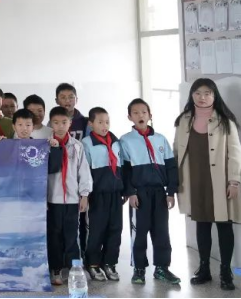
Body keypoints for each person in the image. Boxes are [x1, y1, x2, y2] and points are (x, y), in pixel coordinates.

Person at [174, 78, 241, 291]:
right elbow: (177, 151)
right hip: (194, 181)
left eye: (207, 93)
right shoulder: (184, 120)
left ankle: (225, 272)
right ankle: (204, 269)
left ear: (214, 95)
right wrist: (174, 181)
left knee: (224, 226)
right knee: (201, 225)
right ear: (192, 95)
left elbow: (235, 154)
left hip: (221, 181)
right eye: (197, 93)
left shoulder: (225, 120)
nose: (202, 97)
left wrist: (234, 181)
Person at [120, 99, 180, 285]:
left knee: (162, 231)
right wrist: (130, 192)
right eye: (136, 113)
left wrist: (171, 192)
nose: (140, 115)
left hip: (159, 193)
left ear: (150, 115)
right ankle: (139, 269)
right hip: (139, 194)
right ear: (129, 117)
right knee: (139, 232)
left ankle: (162, 268)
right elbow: (125, 170)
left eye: (143, 112)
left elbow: (171, 167)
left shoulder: (161, 139)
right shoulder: (125, 141)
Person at [46, 106, 92, 287]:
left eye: (64, 122)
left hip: (72, 200)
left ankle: (75, 269)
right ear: (50, 124)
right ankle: (56, 269)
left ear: (70, 123)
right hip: (52, 200)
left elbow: (83, 171)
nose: (60, 126)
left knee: (73, 236)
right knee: (55, 236)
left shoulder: (77, 146)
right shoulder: (45, 146)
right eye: (56, 123)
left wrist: (84, 195)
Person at [81, 107, 123, 283]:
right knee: (97, 230)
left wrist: (123, 189)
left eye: (107, 122)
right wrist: (86, 194)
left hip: (116, 193)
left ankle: (110, 263)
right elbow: (84, 170)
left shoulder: (116, 141)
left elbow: (122, 167)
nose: (104, 125)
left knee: (115, 229)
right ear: (91, 124)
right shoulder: (86, 143)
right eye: (100, 122)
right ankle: (93, 264)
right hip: (97, 194)